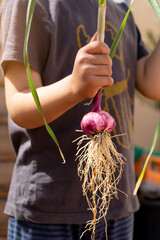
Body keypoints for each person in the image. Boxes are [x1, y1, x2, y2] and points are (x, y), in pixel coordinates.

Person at [0, 0, 160, 239]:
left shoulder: (120, 8)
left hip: (117, 204)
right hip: (49, 208)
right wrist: (74, 87)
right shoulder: (30, 4)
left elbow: (151, 81)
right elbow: (19, 105)